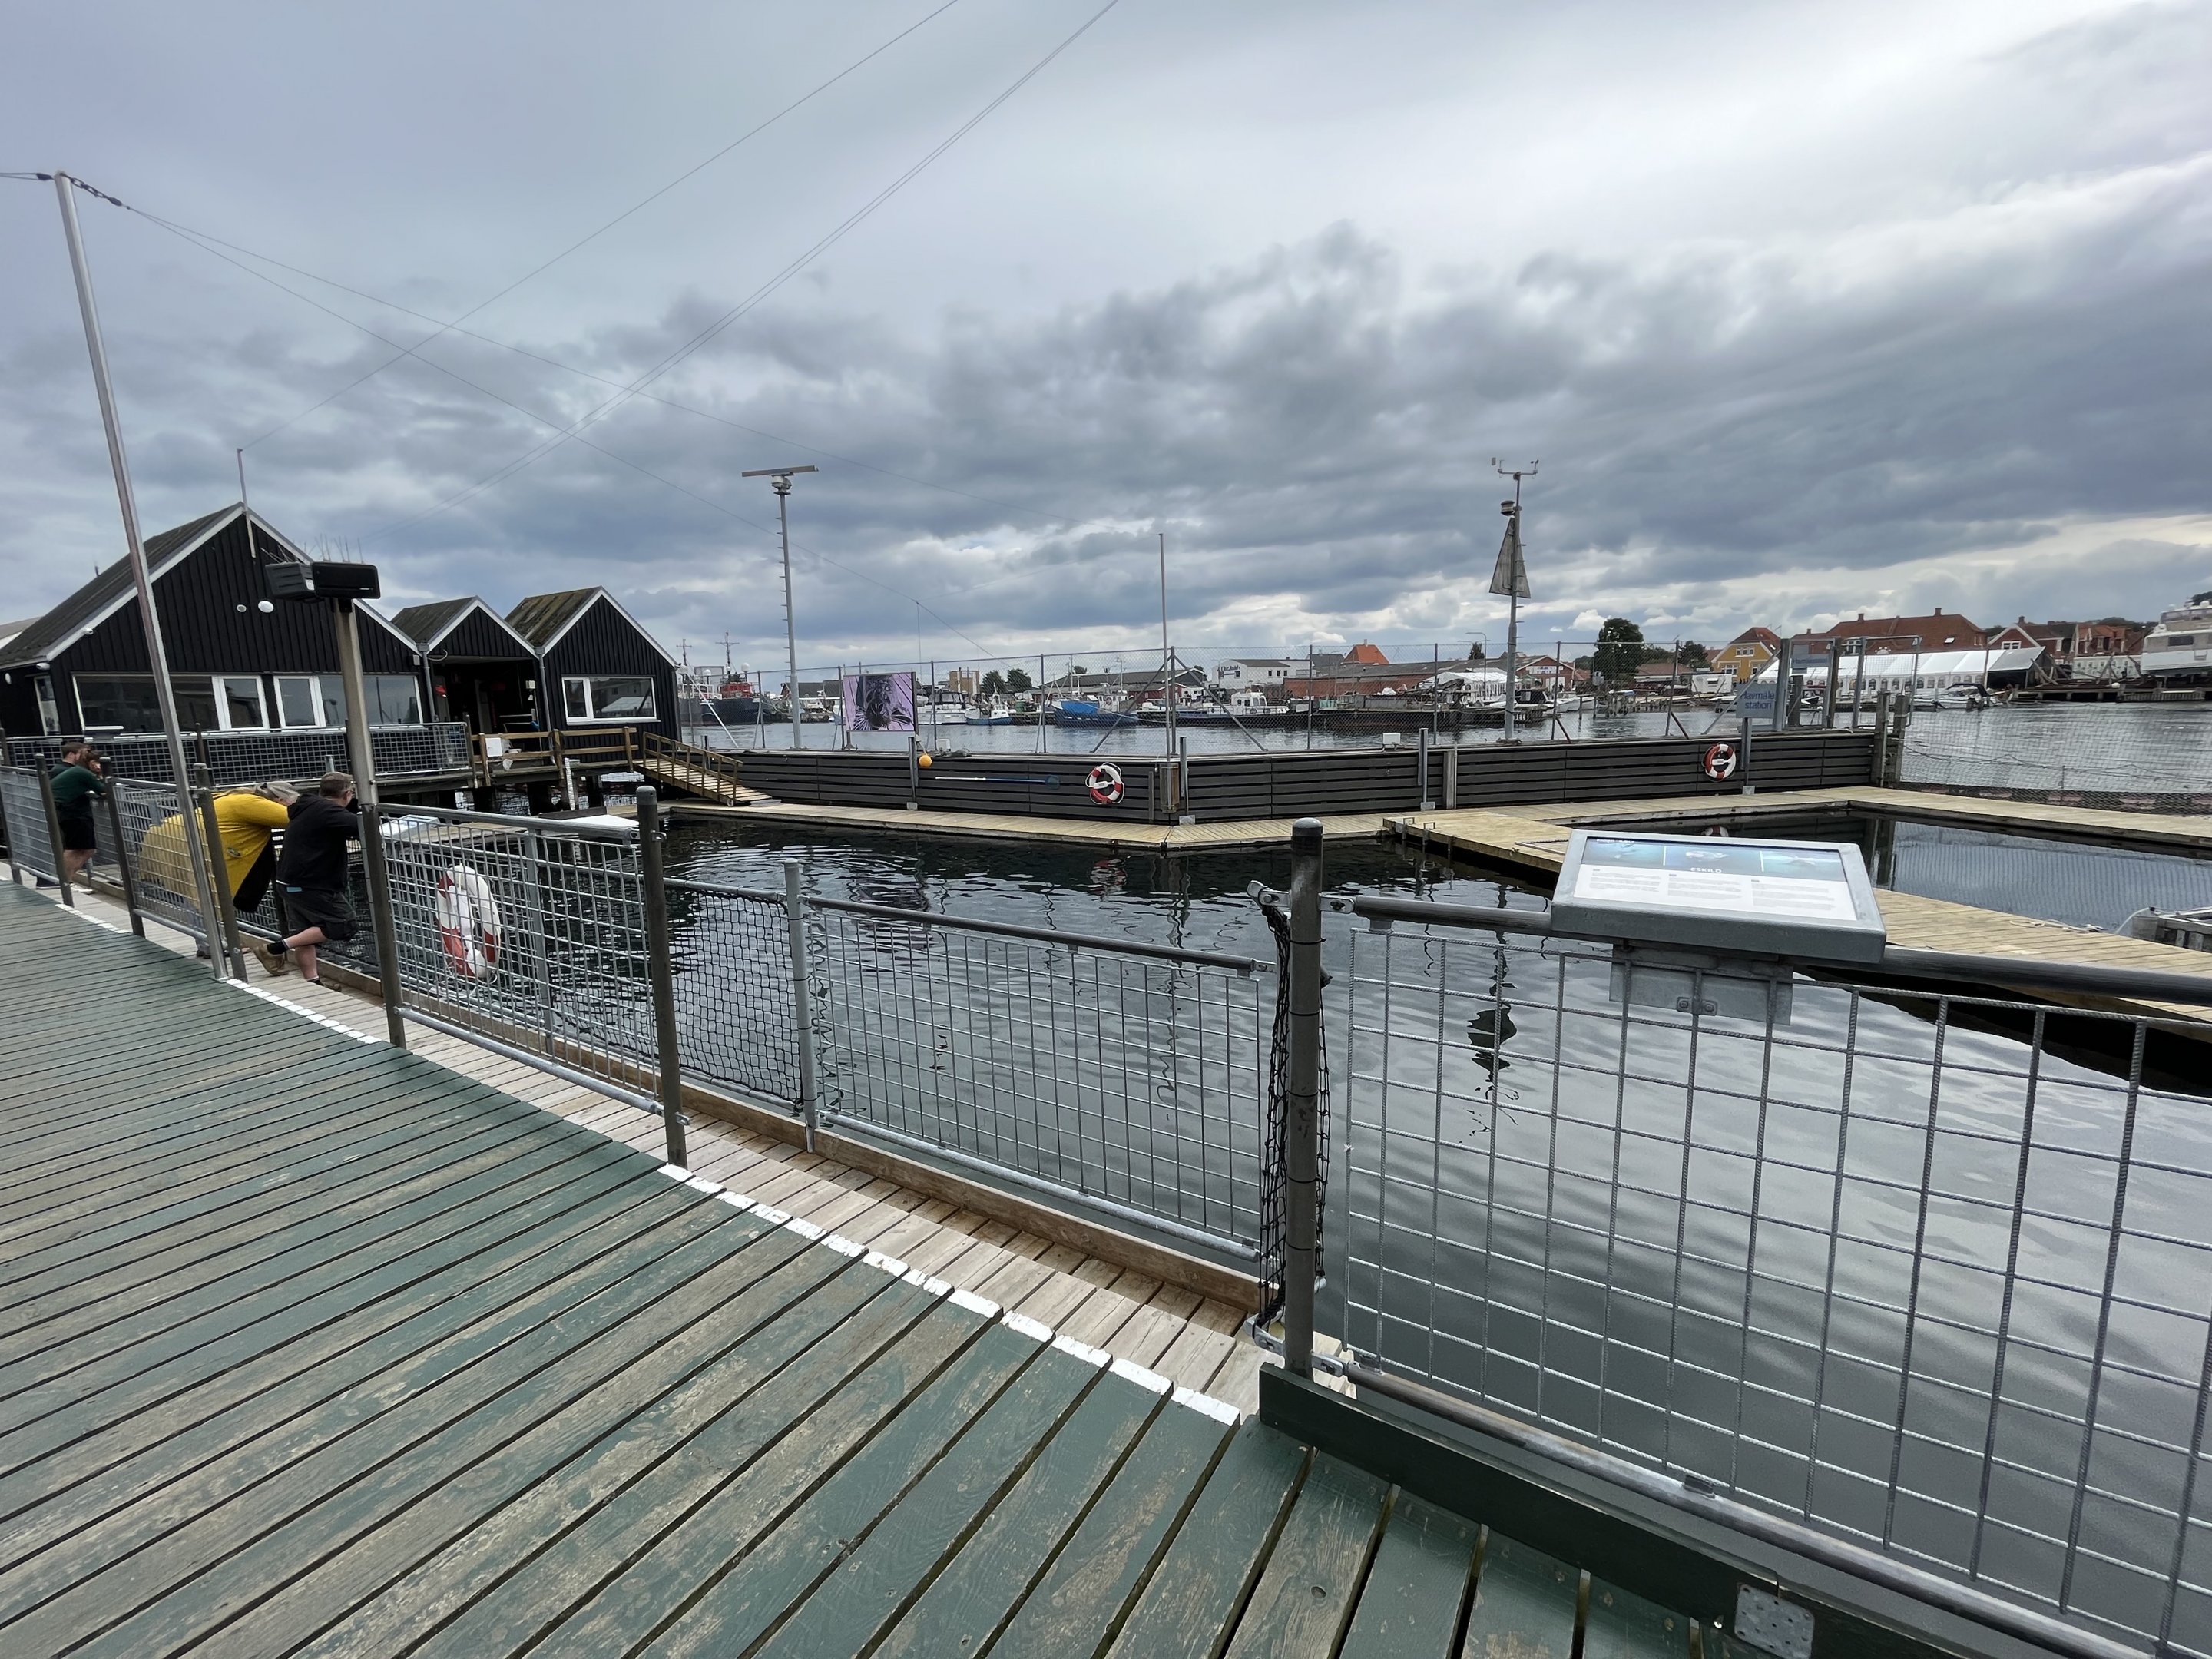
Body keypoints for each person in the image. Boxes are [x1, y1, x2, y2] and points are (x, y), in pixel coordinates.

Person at [264, 771, 358, 985]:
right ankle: (274, 949)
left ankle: (313, 982)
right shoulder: (329, 811)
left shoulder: (309, 806)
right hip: (309, 883)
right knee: (344, 925)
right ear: (348, 793)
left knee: (304, 933)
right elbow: (360, 827)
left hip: (288, 880)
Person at [48, 741, 104, 889]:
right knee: (75, 848)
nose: (98, 765)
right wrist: (100, 776)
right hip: (73, 813)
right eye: (96, 762)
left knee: (84, 849)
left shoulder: (76, 771)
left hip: (66, 811)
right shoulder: (82, 773)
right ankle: (65, 880)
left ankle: (66, 879)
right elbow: (104, 791)